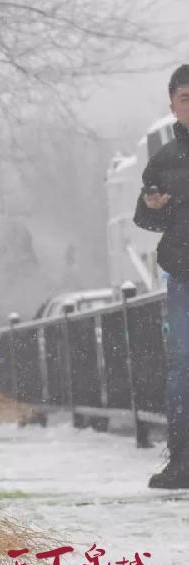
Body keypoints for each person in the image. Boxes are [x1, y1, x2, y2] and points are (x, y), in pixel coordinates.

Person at [134, 64, 189, 489]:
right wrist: (154, 207)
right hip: (184, 275)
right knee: (182, 367)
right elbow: (144, 217)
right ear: (172, 105)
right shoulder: (163, 159)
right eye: (186, 99)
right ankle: (183, 460)